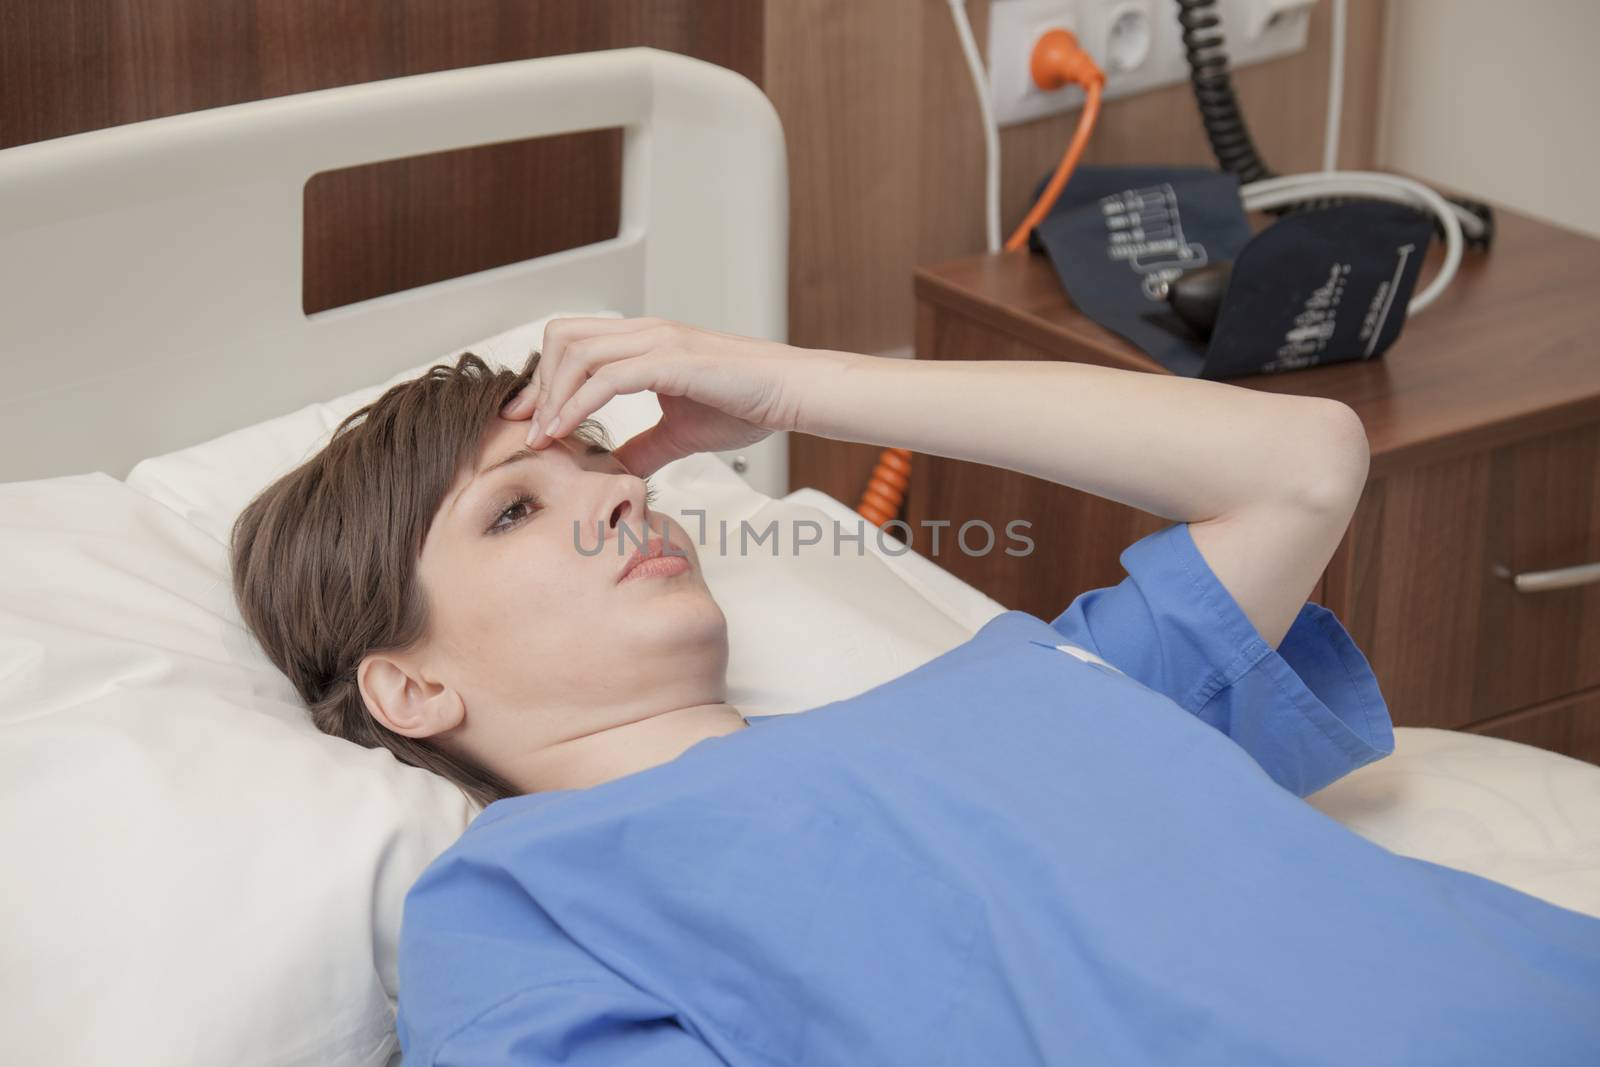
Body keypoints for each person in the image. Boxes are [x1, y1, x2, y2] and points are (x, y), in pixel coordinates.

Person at [230, 317, 1600, 1066]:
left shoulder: (1032, 676)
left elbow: (1304, 463)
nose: (611, 497)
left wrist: (796, 387)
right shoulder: (520, 906)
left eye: (607, 465)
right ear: (409, 688)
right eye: (516, 509)